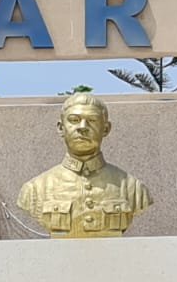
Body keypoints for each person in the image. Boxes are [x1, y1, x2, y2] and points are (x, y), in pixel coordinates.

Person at [16, 91, 152, 238]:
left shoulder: (133, 189)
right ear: (61, 128)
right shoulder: (35, 189)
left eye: (92, 120)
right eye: (74, 120)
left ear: (106, 129)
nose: (82, 127)